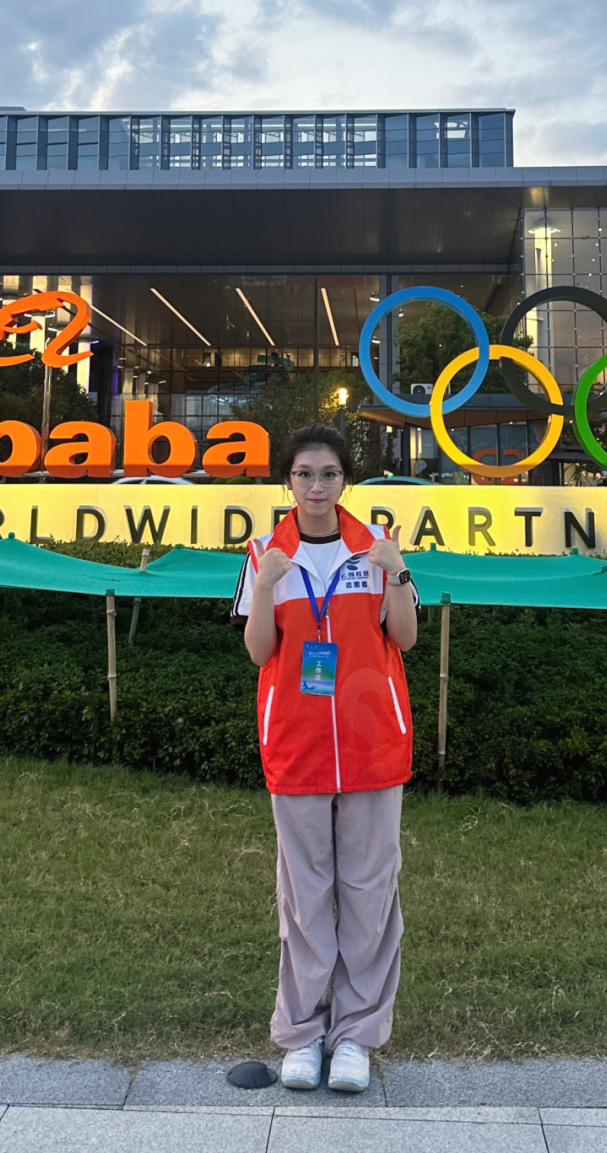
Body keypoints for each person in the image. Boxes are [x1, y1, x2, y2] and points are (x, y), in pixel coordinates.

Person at [232, 425, 418, 1094]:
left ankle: (357, 1037)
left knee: (369, 894)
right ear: (288, 481)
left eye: (330, 474)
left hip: (373, 745)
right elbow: (259, 653)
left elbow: (405, 637)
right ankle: (303, 1035)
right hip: (297, 745)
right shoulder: (264, 554)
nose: (317, 486)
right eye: (305, 474)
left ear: (346, 480)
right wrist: (264, 588)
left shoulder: (376, 547)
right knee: (304, 898)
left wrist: (398, 570)